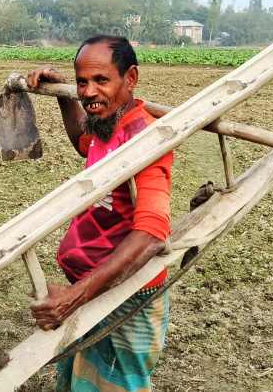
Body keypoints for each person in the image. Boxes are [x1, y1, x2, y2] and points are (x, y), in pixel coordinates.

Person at [26, 35, 172, 391]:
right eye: (82, 82)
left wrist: (76, 297)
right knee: (82, 379)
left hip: (126, 293)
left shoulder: (146, 140)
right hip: (93, 287)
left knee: (115, 384)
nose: (89, 92)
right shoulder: (106, 124)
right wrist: (63, 93)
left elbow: (152, 233)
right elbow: (84, 142)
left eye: (101, 80)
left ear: (130, 78)